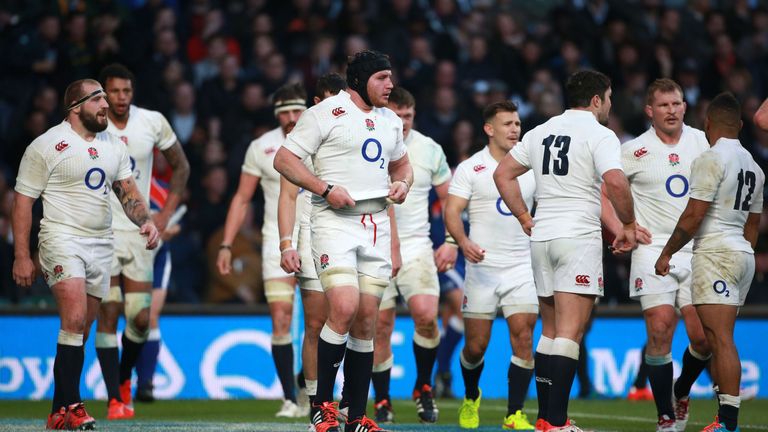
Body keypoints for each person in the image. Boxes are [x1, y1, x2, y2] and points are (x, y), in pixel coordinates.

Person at [274, 49, 413, 432]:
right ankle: (321, 406)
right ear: (360, 80)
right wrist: (324, 187)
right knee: (345, 306)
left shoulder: (389, 122)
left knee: (367, 320)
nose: (391, 85)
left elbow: (402, 164)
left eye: (391, 77)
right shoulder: (323, 113)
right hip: (334, 221)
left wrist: (403, 183)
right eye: (382, 78)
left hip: (377, 223)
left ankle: (355, 416)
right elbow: (285, 160)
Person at [12, 78, 159, 430]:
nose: (107, 104)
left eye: (107, 98)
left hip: (101, 242)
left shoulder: (113, 146)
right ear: (75, 107)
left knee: (81, 328)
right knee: (75, 318)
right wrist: (21, 255)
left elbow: (128, 192)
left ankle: (57, 411)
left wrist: (147, 221)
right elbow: (23, 202)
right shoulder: (47, 145)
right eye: (98, 99)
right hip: (62, 238)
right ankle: (76, 407)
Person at [494, 70, 636, 431]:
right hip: (577, 237)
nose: (609, 104)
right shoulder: (600, 134)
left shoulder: (539, 131)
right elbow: (616, 181)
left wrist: (525, 217)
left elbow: (502, 175)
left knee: (550, 332)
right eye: (608, 97)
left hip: (542, 237)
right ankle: (555, 422)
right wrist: (629, 224)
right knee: (570, 333)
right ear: (596, 100)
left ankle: (546, 419)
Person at [603, 78, 711, 431]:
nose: (672, 110)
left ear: (685, 106)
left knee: (704, 339)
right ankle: (665, 414)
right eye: (664, 105)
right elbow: (604, 194)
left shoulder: (702, 141)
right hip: (652, 250)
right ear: (650, 111)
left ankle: (681, 390)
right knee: (660, 328)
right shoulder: (633, 150)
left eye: (677, 103)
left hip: (697, 249)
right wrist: (622, 228)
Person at [655, 92, 764, 432]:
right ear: (741, 125)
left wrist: (667, 252)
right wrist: (741, 255)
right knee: (719, 338)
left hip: (716, 251)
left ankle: (727, 423)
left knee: (720, 339)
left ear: (707, 123)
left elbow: (693, 215)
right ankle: (708, 407)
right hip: (743, 254)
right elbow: (753, 226)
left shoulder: (711, 158)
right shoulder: (755, 166)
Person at [94, 63, 190, 419]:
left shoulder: (152, 121)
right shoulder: (93, 124)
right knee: (109, 311)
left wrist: (163, 215)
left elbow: (181, 166)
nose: (121, 98)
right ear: (103, 92)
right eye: (114, 91)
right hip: (100, 232)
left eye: (126, 91)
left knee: (139, 319)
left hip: (138, 230)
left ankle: (122, 379)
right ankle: (114, 399)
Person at [217, 82, 308, 418]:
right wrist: (226, 243)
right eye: (283, 112)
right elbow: (242, 198)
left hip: (320, 238)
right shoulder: (262, 146)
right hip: (277, 240)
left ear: (307, 110)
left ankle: (305, 381)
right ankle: (289, 397)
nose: (290, 117)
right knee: (281, 317)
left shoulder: (324, 139)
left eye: (296, 110)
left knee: (323, 320)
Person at [445, 101, 537, 430]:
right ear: (489, 129)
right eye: (508, 124)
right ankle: (472, 396)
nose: (515, 129)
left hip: (522, 266)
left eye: (517, 123)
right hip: (482, 268)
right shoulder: (471, 168)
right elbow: (452, 212)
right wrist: (463, 242)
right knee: (475, 347)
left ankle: (514, 413)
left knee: (523, 336)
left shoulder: (531, 166)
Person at [371, 86, 456, 424]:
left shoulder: (429, 149)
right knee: (380, 326)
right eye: (397, 115)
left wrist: (450, 240)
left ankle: (423, 386)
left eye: (408, 116)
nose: (403, 122)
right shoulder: (370, 144)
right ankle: (381, 400)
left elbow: (450, 199)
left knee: (425, 315)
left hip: (416, 245)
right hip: (374, 244)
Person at [276, 72, 347, 422]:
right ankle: (320, 405)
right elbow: (288, 194)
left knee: (355, 317)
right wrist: (287, 243)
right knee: (317, 323)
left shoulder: (356, 131)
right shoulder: (304, 138)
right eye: (335, 99)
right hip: (312, 235)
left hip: (354, 235)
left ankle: (351, 400)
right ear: (319, 104)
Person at [134, 174, 183, 403]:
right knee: (132, 316)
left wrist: (170, 231)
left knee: (151, 317)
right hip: (130, 254)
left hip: (159, 256)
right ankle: (122, 381)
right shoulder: (124, 185)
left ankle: (146, 383)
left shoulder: (162, 190)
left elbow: (175, 224)